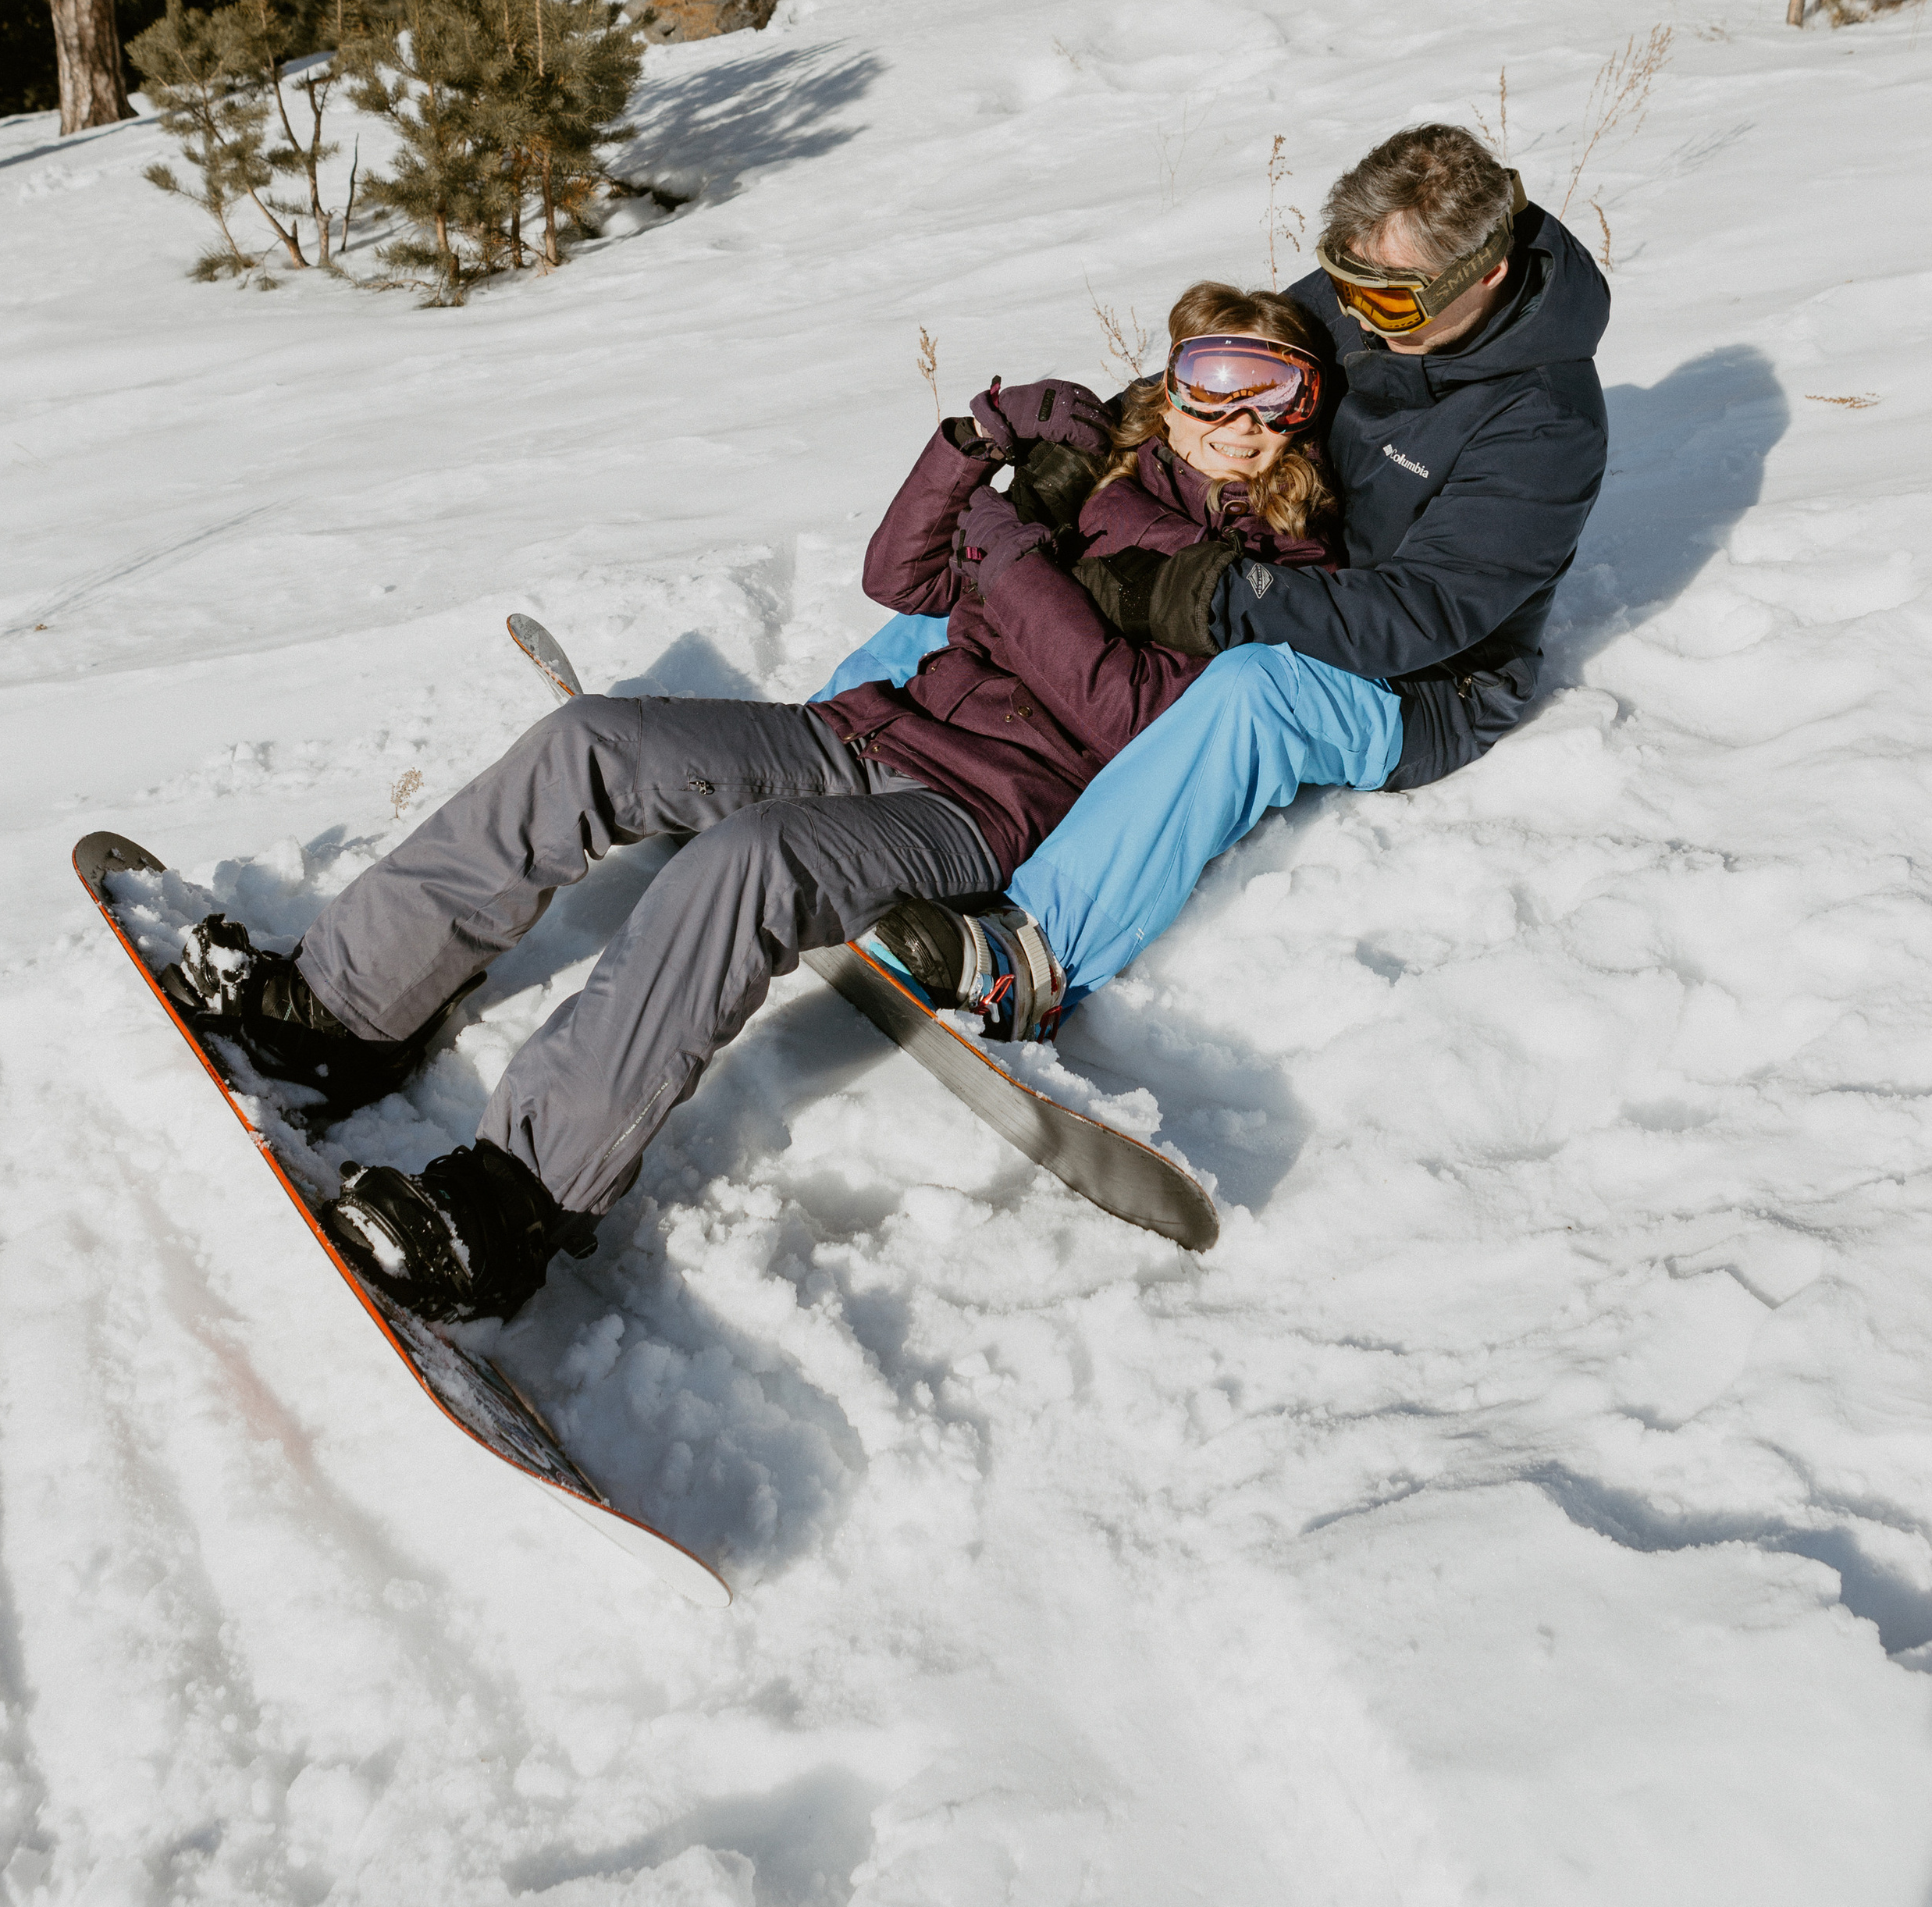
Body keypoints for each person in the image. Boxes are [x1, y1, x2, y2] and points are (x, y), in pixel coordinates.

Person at [170, 283, 1340, 1322]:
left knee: (753, 860)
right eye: (1210, 381)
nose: (1233, 420)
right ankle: (335, 1013)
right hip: (854, 733)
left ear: (1298, 418)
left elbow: (1118, 709)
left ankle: (514, 1203)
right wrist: (971, 442)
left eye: (1267, 396)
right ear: (1171, 387)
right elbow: (901, 577)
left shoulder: (1272, 571)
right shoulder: (1083, 481)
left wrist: (1013, 552)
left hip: (975, 810)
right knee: (594, 740)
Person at [834, 122, 1610, 1015]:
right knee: (1003, 563)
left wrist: (1215, 597)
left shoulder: (1543, 423)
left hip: (1425, 681)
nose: (1352, 314)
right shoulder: (1371, 290)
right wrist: (1081, 467)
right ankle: (826, 752)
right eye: (1344, 280)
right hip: (1274, 557)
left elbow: (1421, 617)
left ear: (1486, 276)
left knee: (1253, 692)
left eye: (1387, 305)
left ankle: (1029, 955)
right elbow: (1237, 371)